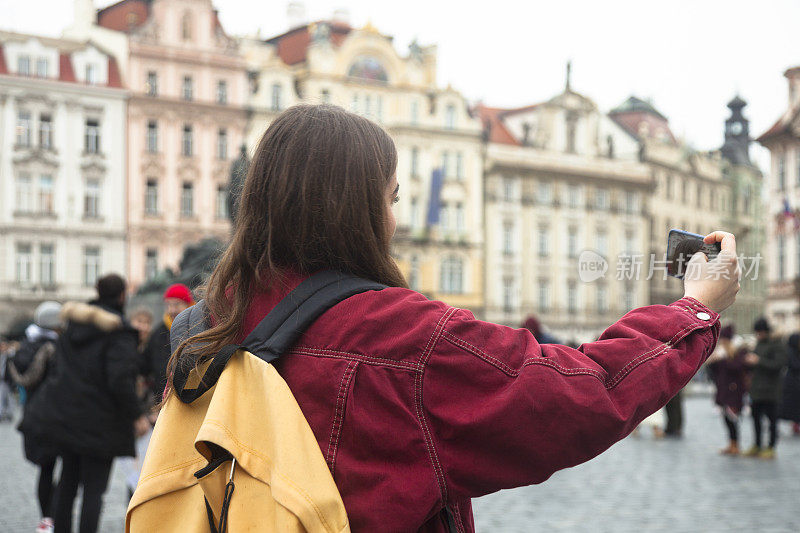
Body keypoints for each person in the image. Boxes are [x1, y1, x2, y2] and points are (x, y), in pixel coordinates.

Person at [164, 104, 740, 531]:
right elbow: (576, 395)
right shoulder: (402, 335)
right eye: (389, 200)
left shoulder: (209, 324)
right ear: (358, 211)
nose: (393, 219)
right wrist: (694, 309)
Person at [20, 274, 150, 533]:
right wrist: (136, 415)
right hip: (100, 422)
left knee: (67, 483)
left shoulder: (73, 327)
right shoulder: (118, 331)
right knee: (94, 491)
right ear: (123, 296)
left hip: (67, 417)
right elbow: (120, 380)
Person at [743, 317, 787, 459]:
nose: (758, 335)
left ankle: (771, 447)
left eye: (760, 332)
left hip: (771, 390)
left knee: (772, 420)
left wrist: (758, 361)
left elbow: (778, 365)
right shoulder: (758, 344)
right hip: (757, 390)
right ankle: (757, 445)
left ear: (766, 332)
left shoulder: (777, 345)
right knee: (755, 419)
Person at [143, 284, 193, 402]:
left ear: (188, 305)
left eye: (176, 304)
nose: (172, 310)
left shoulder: (198, 328)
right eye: (168, 305)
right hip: (164, 400)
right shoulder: (158, 333)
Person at [706, 324, 748, 454]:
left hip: (734, 391)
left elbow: (737, 367)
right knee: (726, 418)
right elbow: (714, 372)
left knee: (733, 418)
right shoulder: (722, 352)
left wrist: (722, 360)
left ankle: (736, 444)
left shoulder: (738, 351)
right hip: (723, 390)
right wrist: (712, 361)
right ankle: (731, 443)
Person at [779, 333, 800, 434]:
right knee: (790, 405)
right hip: (792, 383)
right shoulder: (790, 352)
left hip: (794, 382)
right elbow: (795, 365)